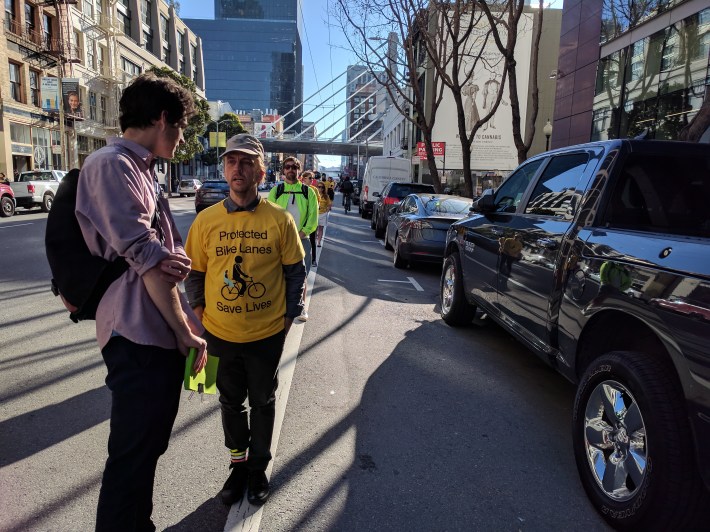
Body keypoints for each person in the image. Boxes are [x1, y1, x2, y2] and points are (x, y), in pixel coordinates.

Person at [73, 72, 208, 531]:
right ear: (162, 118)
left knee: (147, 449)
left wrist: (171, 261)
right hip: (136, 332)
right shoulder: (113, 165)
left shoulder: (144, 169)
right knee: (130, 458)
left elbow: (158, 256)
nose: (183, 136)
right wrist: (186, 332)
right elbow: (147, 260)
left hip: (153, 335)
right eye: (182, 126)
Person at [184, 133, 306, 508]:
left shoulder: (280, 220)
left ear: (261, 171)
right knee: (230, 403)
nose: (238, 168)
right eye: (232, 161)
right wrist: (202, 319)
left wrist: (286, 320)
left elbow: (294, 273)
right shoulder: (206, 221)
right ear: (224, 168)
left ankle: (258, 469)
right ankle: (238, 466)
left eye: (247, 162)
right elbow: (194, 275)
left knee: (263, 402)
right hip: (219, 334)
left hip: (266, 335)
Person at [267, 156, 318, 321]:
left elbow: (313, 218)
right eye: (288, 167)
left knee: (301, 275)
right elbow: (269, 216)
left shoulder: (307, 191)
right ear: (283, 170)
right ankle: (279, 308)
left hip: (301, 240)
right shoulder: (277, 190)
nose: (291, 170)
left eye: (294, 167)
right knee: (278, 275)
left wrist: (300, 235)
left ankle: (301, 308)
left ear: (299, 170)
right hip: (279, 241)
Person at [299, 171, 319, 267]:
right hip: (301, 220)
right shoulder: (298, 189)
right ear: (304, 179)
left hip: (311, 219)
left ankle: (313, 259)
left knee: (312, 240)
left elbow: (317, 204)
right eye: (309, 178)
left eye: (312, 178)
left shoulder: (314, 190)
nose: (312, 180)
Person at [315, 181, 332, 250]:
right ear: (317, 187)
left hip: (323, 214)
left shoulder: (326, 196)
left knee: (321, 228)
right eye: (319, 187)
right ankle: (315, 240)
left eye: (322, 187)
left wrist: (327, 210)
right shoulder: (314, 195)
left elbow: (329, 204)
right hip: (315, 214)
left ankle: (319, 242)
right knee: (315, 229)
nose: (320, 188)